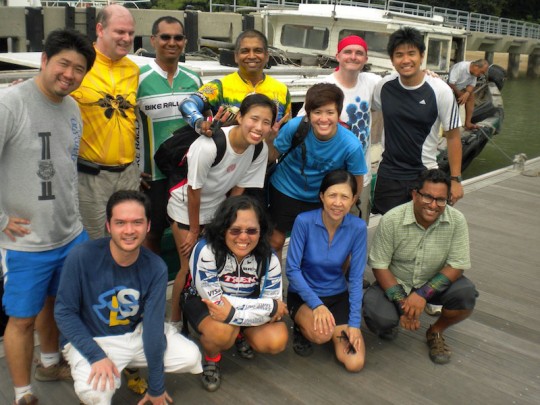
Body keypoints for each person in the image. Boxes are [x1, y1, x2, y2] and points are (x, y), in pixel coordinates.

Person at [0, 29, 95, 405]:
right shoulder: (11, 104)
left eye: (79, 69)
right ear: (44, 61)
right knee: (21, 319)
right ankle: (23, 392)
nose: (70, 74)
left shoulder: (72, 107)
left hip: (69, 233)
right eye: (63, 64)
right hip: (25, 242)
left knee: (59, 304)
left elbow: (65, 167)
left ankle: (50, 361)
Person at [54, 190, 203, 405]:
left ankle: (129, 365)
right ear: (109, 226)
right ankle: (96, 375)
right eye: (120, 222)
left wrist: (156, 387)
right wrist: (95, 355)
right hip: (93, 337)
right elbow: (64, 312)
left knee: (191, 356)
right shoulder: (82, 256)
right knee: (95, 394)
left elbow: (152, 328)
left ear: (148, 226)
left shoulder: (156, 267)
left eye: (137, 222)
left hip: (133, 333)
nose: (129, 230)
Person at [167, 93, 272, 325]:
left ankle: (217, 317)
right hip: (186, 208)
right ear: (241, 116)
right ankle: (174, 321)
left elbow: (238, 189)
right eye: (254, 119)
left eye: (266, 122)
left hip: (216, 208)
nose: (259, 127)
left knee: (217, 264)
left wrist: (221, 222)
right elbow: (194, 190)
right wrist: (195, 230)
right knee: (187, 266)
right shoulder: (209, 144)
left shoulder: (258, 149)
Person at [363, 169, 477, 364]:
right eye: (427, 197)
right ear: (415, 194)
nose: (433, 205)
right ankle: (393, 320)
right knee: (378, 316)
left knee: (466, 294)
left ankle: (436, 331)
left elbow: (457, 265)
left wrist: (423, 294)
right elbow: (380, 266)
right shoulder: (392, 219)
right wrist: (404, 305)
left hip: (434, 282)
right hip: (397, 280)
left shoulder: (456, 220)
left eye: (441, 200)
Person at [183, 195, 288, 392]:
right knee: (222, 332)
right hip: (202, 302)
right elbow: (215, 304)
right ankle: (212, 358)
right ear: (223, 229)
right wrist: (268, 307)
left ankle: (239, 333)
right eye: (235, 230)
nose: (243, 237)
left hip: (238, 307)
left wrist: (235, 314)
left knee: (277, 338)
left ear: (261, 231)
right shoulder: (206, 249)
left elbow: (275, 308)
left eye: (251, 231)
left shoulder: (269, 257)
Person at [371, 27, 464, 216]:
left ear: (422, 55)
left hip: (424, 173)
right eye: (399, 55)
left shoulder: (440, 90)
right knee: (389, 229)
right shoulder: (384, 86)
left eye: (411, 53)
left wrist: (455, 179)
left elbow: (453, 137)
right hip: (389, 173)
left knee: (423, 232)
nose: (406, 60)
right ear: (392, 60)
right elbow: (368, 110)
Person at [267, 83, 367, 258]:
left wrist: (343, 207)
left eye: (330, 113)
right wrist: (269, 140)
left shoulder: (350, 145)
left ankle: (307, 283)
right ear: (309, 113)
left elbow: (356, 183)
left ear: (338, 114)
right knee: (275, 241)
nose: (323, 119)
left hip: (319, 198)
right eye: (317, 112)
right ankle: (271, 282)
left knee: (313, 246)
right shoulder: (295, 127)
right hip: (285, 189)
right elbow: (271, 156)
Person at [286, 170, 366, 372]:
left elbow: (356, 278)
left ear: (353, 199)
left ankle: (330, 325)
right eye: (332, 195)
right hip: (305, 296)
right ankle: (303, 326)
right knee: (320, 334)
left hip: (337, 296)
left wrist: (354, 324)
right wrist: (317, 305)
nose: (338, 203)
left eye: (345, 197)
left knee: (354, 361)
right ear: (322, 196)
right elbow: (292, 270)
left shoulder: (357, 228)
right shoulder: (304, 222)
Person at [72, 4, 140, 240]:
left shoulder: (133, 70)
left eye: (130, 33)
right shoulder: (80, 65)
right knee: (93, 243)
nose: (127, 38)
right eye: (120, 32)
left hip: (129, 175)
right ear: (100, 29)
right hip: (91, 177)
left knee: (129, 239)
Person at [136, 16, 203, 254]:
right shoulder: (138, 78)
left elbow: (203, 125)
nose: (171, 42)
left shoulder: (194, 79)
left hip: (187, 173)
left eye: (177, 37)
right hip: (152, 175)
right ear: (153, 40)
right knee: (152, 234)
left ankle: (186, 285)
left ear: (185, 42)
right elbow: (124, 126)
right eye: (165, 37)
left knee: (191, 231)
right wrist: (132, 167)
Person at [297, 35, 381, 223]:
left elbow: (400, 80)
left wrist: (427, 74)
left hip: (360, 175)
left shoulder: (371, 81)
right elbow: (302, 123)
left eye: (359, 53)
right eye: (348, 52)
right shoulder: (326, 86)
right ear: (338, 56)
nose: (353, 57)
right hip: (328, 176)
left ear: (365, 59)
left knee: (354, 228)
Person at [179, 29, 291, 135]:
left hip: (267, 154)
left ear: (266, 56)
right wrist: (199, 122)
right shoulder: (219, 87)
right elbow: (187, 104)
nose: (251, 56)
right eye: (245, 51)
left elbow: (287, 132)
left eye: (258, 51)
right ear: (236, 56)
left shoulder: (282, 90)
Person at [448, 59, 490, 130]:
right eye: (481, 72)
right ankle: (449, 125)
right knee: (456, 99)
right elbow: (451, 83)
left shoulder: (474, 73)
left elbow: (471, 85)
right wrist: (459, 94)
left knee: (471, 96)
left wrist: (467, 93)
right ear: (476, 66)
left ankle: (468, 123)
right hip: (449, 87)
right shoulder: (461, 67)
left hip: (459, 88)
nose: (481, 74)